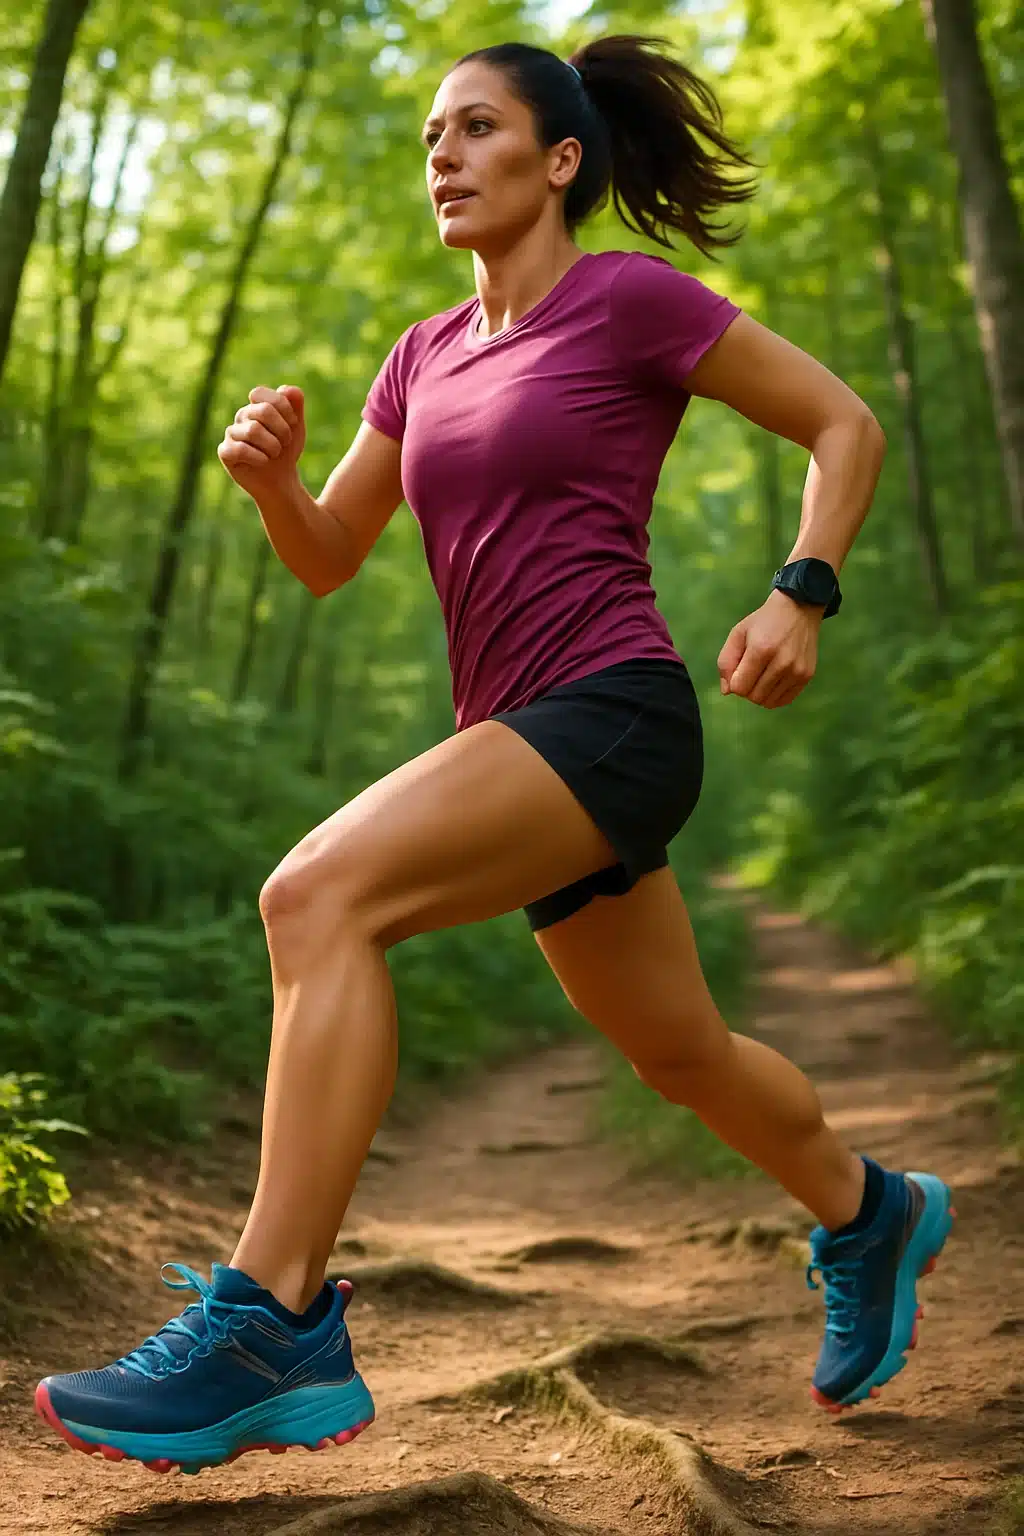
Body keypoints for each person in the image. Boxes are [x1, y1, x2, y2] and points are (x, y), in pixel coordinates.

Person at [34, 34, 953, 1475]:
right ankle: (870, 1210)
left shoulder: (630, 302)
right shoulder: (420, 356)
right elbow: (332, 555)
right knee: (680, 1053)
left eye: (475, 127)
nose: (443, 157)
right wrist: (274, 483)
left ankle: (269, 1321)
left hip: (612, 710)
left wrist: (802, 589)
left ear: (560, 158)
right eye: (429, 136)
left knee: (315, 897)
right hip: (518, 736)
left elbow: (843, 420)